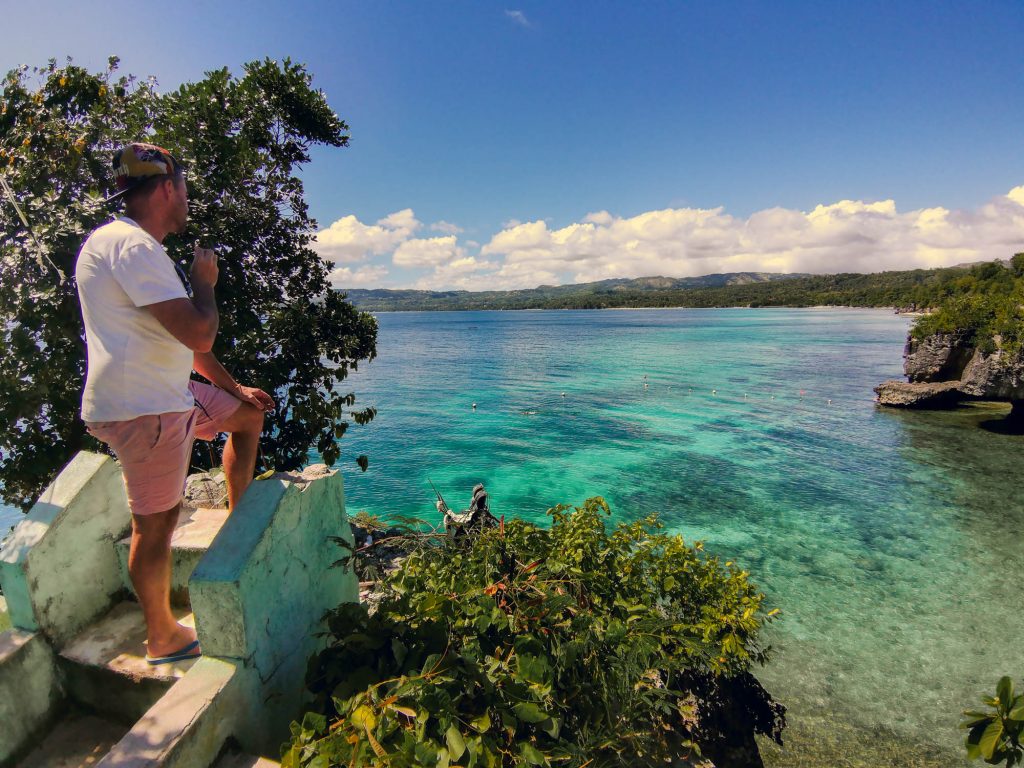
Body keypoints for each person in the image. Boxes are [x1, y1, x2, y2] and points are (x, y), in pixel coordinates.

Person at [75, 143, 274, 665]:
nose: (187, 200)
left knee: (248, 418)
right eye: (184, 189)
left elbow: (185, 344)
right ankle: (162, 636)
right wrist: (205, 285)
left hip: (169, 397)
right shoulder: (134, 248)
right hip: (146, 410)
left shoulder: (125, 245)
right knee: (156, 525)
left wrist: (235, 390)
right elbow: (200, 332)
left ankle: (237, 522)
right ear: (167, 189)